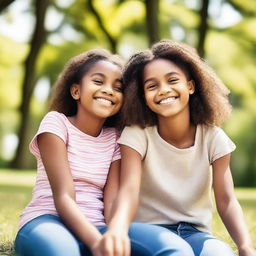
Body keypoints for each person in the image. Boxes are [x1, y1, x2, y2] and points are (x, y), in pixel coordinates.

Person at [96, 40, 256, 256]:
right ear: (143, 96)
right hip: (148, 230)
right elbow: (129, 191)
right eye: (152, 86)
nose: (164, 90)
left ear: (190, 86)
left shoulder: (213, 137)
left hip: (195, 232)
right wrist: (117, 229)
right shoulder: (137, 135)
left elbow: (226, 201)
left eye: (172, 80)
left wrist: (245, 246)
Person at [14, 48, 125, 256]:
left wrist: (113, 236)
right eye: (98, 82)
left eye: (118, 88)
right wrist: (96, 243)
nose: (109, 90)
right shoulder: (56, 123)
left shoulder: (115, 137)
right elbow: (64, 195)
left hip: (98, 225)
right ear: (76, 91)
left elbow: (111, 201)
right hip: (47, 220)